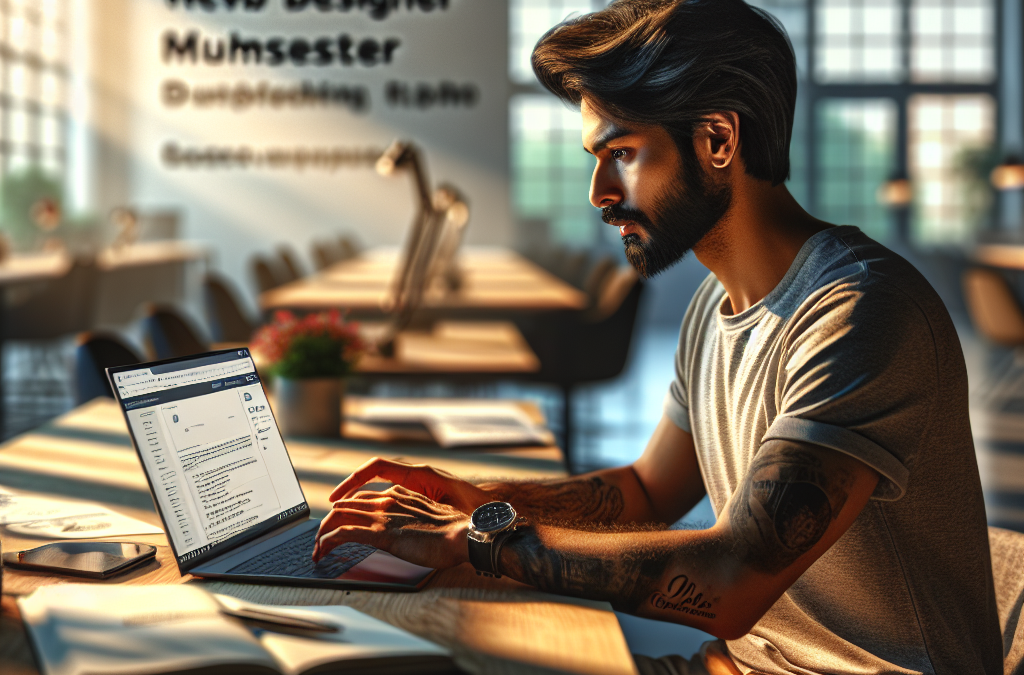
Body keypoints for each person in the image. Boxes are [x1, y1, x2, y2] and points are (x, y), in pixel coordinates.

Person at [313, 1, 1002, 673]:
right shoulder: (715, 304)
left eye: (624, 153)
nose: (598, 192)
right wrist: (473, 498)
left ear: (719, 140)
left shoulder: (859, 312)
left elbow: (731, 580)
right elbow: (646, 491)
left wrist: (478, 540)